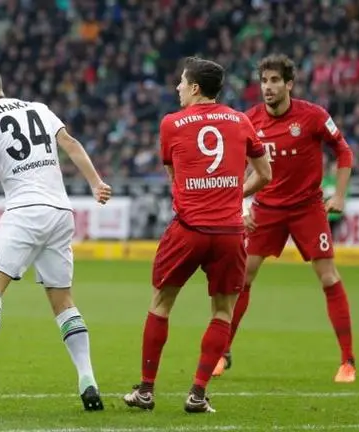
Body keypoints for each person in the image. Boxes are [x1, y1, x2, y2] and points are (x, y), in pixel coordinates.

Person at [0, 62, 111, 411]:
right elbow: (71, 143)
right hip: (60, 212)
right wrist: (96, 183)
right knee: (63, 302)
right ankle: (88, 380)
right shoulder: (39, 109)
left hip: (26, 211)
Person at [122, 57, 272, 413]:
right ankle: (198, 394)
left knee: (161, 303)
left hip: (188, 230)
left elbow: (175, 177)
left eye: (181, 82)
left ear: (194, 88)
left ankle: (146, 391)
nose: (177, 87)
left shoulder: (171, 124)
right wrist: (233, 195)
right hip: (230, 232)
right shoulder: (242, 120)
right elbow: (265, 174)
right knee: (222, 311)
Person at [213, 54, 356, 383]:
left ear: (289, 84)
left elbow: (343, 150)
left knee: (328, 277)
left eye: (275, 80)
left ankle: (347, 360)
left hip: (308, 208)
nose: (268, 87)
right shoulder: (250, 120)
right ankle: (223, 352)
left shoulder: (313, 116)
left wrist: (339, 195)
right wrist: (241, 207)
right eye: (264, 81)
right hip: (267, 208)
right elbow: (236, 166)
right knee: (242, 277)